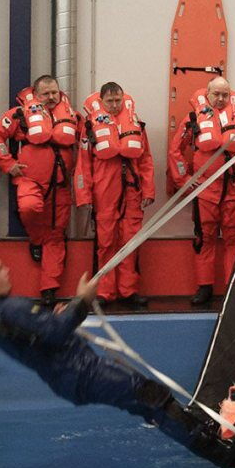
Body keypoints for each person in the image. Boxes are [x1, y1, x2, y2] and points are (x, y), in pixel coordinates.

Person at [0, 250, 235, 468]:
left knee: (148, 402)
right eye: (0, 269)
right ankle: (219, 452)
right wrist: (82, 301)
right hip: (82, 373)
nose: (8, 271)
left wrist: (55, 320)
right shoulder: (11, 309)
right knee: (152, 397)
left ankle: (210, 438)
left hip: (69, 379)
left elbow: (36, 337)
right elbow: (54, 334)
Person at [168, 77, 235, 306]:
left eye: (224, 94)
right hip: (205, 193)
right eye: (216, 94)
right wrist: (183, 178)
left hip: (233, 193)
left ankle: (232, 289)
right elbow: (175, 151)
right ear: (207, 94)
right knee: (205, 240)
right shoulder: (193, 120)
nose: (220, 99)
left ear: (230, 95)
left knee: (233, 240)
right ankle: (205, 288)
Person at [0, 75, 81, 303]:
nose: (51, 97)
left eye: (54, 93)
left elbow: (86, 146)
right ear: (36, 95)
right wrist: (8, 164)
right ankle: (36, 239)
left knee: (57, 236)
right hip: (30, 180)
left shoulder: (71, 115)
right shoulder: (21, 114)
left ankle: (49, 288)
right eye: (46, 94)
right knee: (29, 208)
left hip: (60, 185)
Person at [74, 83, 155, 306]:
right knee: (106, 243)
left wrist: (148, 189)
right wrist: (84, 195)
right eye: (109, 101)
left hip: (132, 190)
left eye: (117, 100)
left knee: (130, 241)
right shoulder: (91, 126)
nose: (114, 105)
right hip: (104, 190)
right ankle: (105, 292)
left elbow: (146, 159)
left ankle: (128, 290)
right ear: (101, 101)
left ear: (123, 98)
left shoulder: (136, 122)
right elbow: (83, 163)